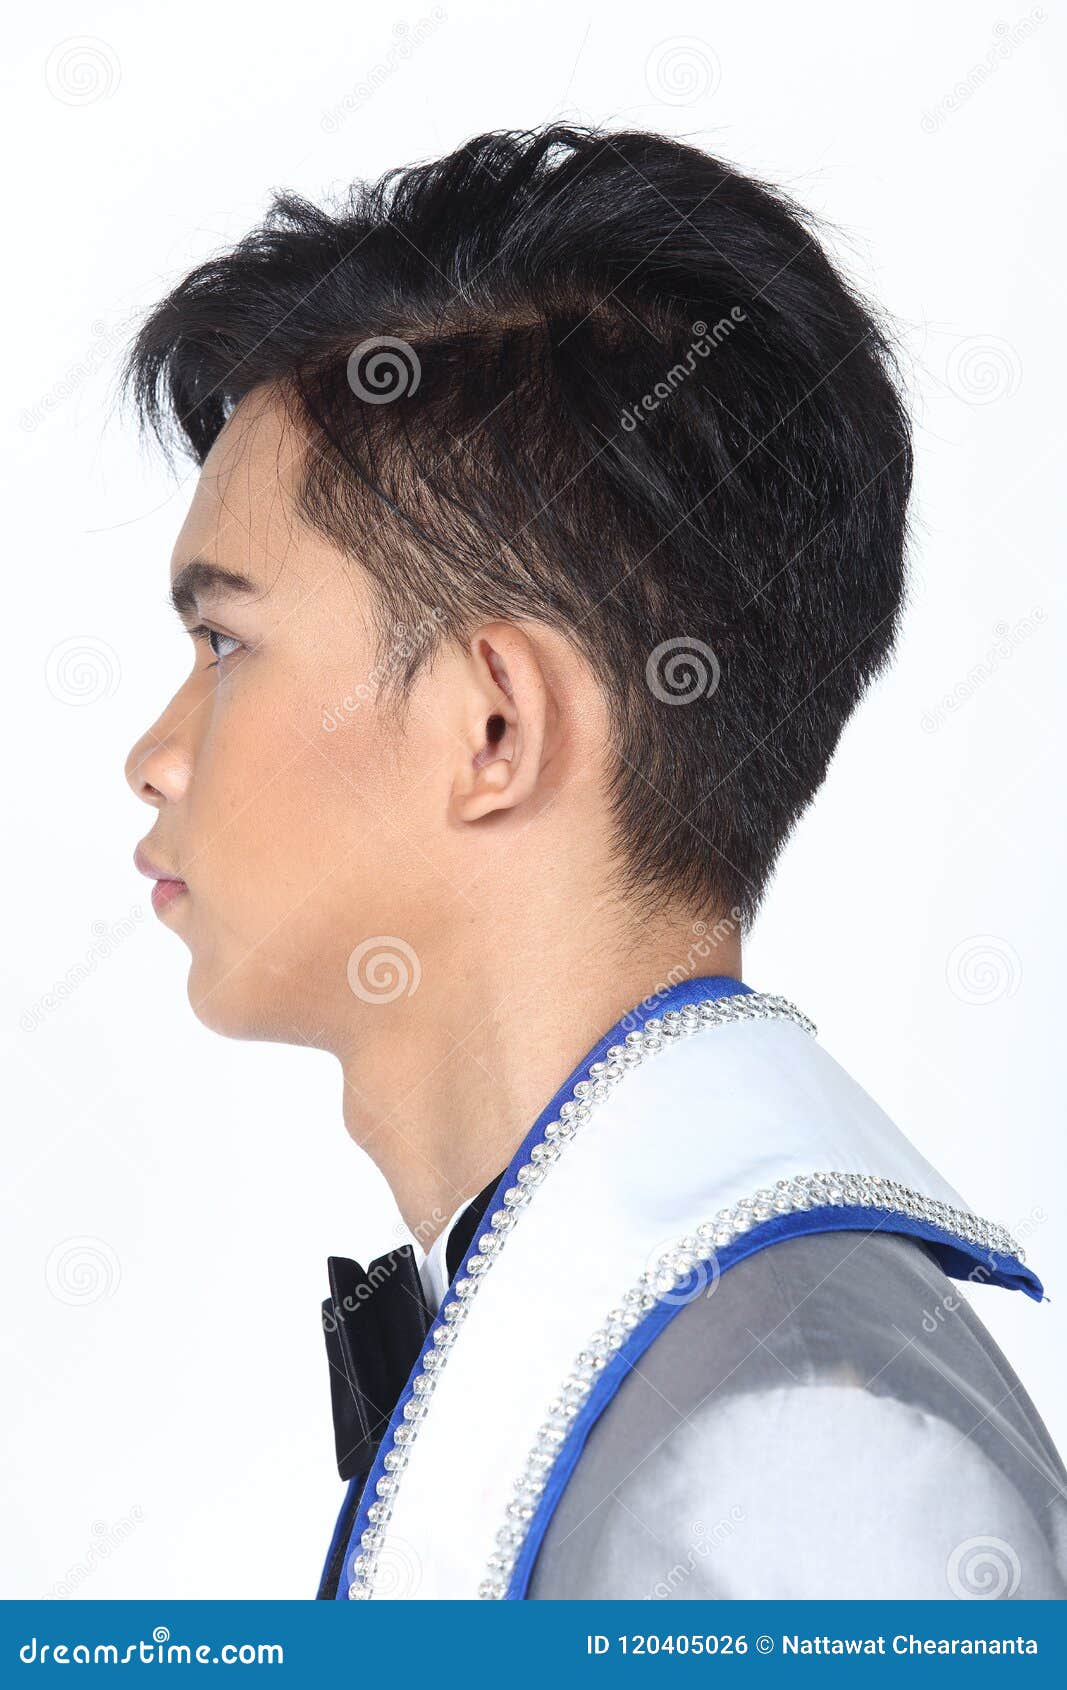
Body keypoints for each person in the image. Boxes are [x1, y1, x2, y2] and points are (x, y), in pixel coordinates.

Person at [123, 125, 1065, 1600]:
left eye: (225, 640)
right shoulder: (637, 1353)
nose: (157, 755)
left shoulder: (793, 1463)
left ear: (495, 725)